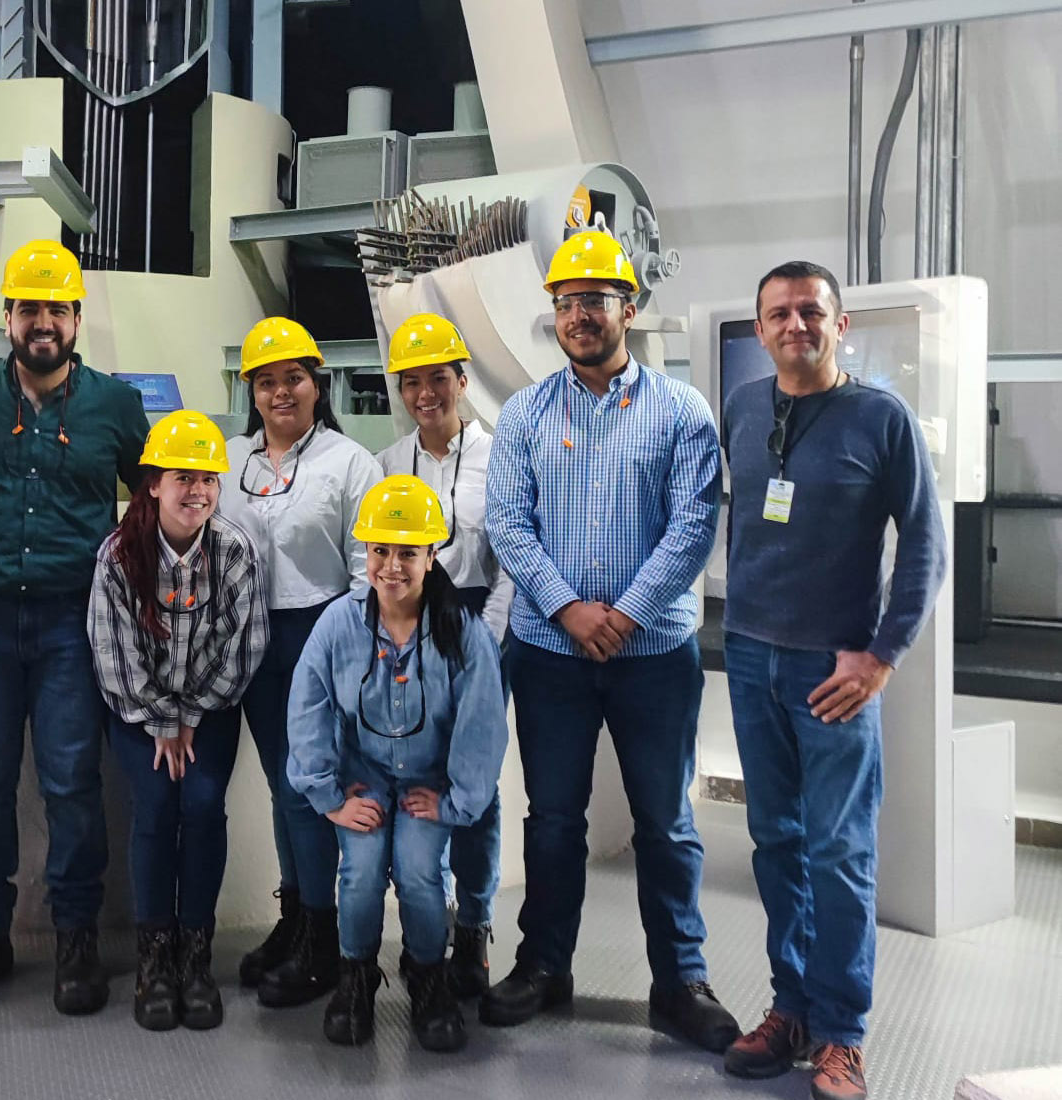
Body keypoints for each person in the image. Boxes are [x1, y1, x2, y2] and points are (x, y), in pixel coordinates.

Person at [482, 229, 740, 1053]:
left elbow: (694, 524)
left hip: (654, 654)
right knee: (553, 819)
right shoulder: (524, 413)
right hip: (550, 655)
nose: (581, 314)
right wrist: (567, 610)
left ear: (630, 308)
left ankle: (680, 982)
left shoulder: (681, 411)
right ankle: (543, 965)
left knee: (665, 822)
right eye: (567, 302)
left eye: (596, 299)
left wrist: (623, 613)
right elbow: (508, 527)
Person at [720, 261, 945, 1100]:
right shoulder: (744, 410)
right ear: (762, 327)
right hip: (750, 658)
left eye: (810, 311)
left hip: (835, 671)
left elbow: (925, 544)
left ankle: (842, 1034)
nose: (794, 325)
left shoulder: (879, 419)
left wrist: (881, 656)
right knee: (775, 843)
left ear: (839, 325)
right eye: (777, 313)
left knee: (839, 853)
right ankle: (791, 1009)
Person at [0, 240, 149, 1016]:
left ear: (76, 318)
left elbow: (153, 506)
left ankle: (76, 935)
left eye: (56, 309)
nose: (43, 322)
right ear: (7, 318)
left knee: (70, 784)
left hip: (70, 628)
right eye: (29, 308)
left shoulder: (115, 406)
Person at [286, 475, 508, 1052]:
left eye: (408, 552)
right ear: (365, 553)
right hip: (365, 779)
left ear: (432, 556)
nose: (391, 566)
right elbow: (308, 706)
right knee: (358, 874)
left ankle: (428, 977)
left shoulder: (463, 632)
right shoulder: (338, 624)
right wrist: (329, 795)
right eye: (379, 550)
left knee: (417, 873)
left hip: (430, 782)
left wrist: (456, 800)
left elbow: (482, 726)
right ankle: (355, 977)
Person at [216, 316, 383, 1007]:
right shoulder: (229, 459)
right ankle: (296, 920)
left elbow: (364, 570)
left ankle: (324, 942)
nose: (281, 391)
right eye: (266, 380)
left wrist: (345, 660)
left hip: (320, 635)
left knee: (312, 789)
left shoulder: (349, 463)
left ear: (318, 385)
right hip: (248, 640)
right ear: (250, 391)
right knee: (284, 791)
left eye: (294, 377)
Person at [87, 411, 269, 1032]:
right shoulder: (118, 555)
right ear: (153, 486)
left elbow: (243, 648)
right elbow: (113, 656)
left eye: (208, 479)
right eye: (182, 477)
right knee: (157, 806)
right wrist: (163, 720)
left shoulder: (235, 550)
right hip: (140, 714)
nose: (197, 491)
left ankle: (196, 957)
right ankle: (154, 959)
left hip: (210, 710)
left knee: (201, 804)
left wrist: (190, 714)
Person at [374, 313, 512, 996]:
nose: (426, 392)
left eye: (438, 378)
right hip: (406, 632)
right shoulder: (389, 464)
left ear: (462, 381)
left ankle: (474, 931)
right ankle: (429, 924)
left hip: (478, 629)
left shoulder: (499, 457)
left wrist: (485, 639)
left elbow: (513, 557)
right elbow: (369, 560)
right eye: (412, 382)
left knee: (474, 792)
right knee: (415, 781)